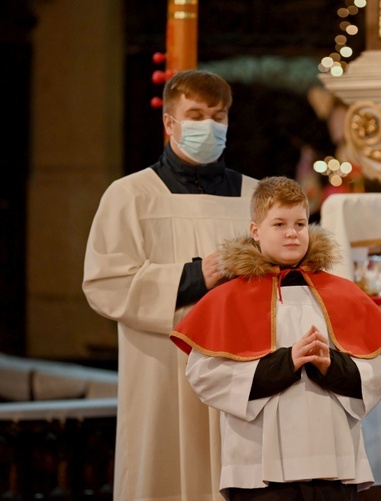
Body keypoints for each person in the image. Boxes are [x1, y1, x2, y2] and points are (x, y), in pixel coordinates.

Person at [82, 69, 258, 501]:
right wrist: (199, 275)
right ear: (170, 123)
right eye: (196, 115)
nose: (210, 127)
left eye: (219, 117)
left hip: (243, 364)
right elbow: (106, 282)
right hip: (163, 363)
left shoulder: (256, 196)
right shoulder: (130, 196)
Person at [170, 176, 381, 501]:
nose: (292, 233)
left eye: (300, 223)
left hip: (333, 459)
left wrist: (332, 365)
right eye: (279, 223)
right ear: (255, 231)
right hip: (259, 466)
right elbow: (205, 374)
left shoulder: (343, 292)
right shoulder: (229, 298)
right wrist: (285, 363)